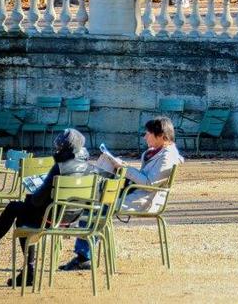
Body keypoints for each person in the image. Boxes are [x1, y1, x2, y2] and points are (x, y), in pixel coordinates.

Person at [61, 116, 184, 271]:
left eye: (148, 133)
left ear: (160, 135)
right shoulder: (158, 152)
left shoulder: (168, 156)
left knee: (96, 206)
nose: (145, 136)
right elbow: (144, 178)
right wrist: (123, 167)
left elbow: (149, 182)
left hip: (145, 200)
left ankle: (83, 255)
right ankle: (83, 253)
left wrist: (124, 169)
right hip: (136, 193)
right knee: (95, 196)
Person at [0, 128, 98, 286]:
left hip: (50, 217)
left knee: (16, 209)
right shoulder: (90, 169)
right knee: (22, 214)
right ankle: (27, 273)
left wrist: (32, 193)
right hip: (72, 218)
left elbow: (37, 200)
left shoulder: (60, 167)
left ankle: (28, 270)